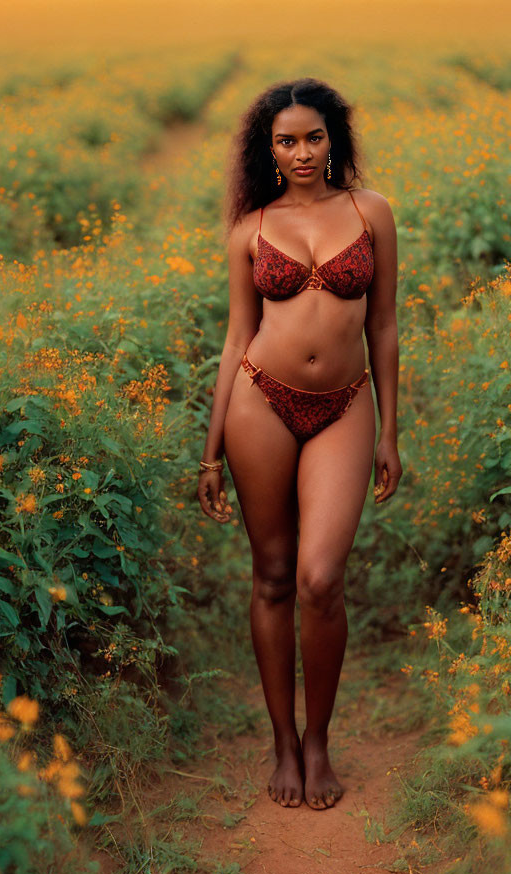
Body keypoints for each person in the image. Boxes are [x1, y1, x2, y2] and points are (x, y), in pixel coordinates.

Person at [196, 77, 402, 811]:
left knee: (321, 577)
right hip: (261, 403)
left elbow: (383, 325)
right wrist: (211, 447)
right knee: (275, 575)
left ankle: (320, 739)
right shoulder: (250, 228)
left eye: (314, 136)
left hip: (344, 407)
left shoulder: (369, 212)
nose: (303, 151)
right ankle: (283, 740)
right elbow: (235, 339)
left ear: (334, 139)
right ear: (269, 149)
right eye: (287, 140)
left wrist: (391, 430)